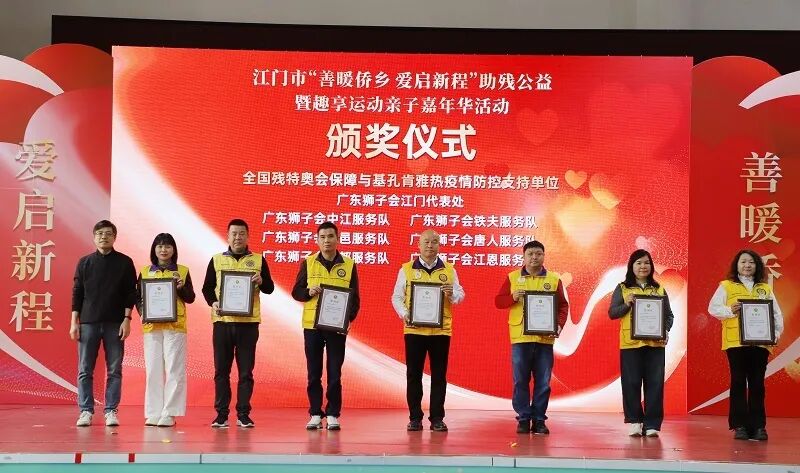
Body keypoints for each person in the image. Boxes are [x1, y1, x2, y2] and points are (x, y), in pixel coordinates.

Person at [202, 218, 274, 428]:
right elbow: (207, 288)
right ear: (227, 236)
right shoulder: (216, 260)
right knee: (221, 371)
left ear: (248, 236)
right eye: (234, 233)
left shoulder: (258, 260)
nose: (238, 237)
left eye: (242, 233)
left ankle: (243, 414)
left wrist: (262, 281)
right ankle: (221, 415)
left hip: (248, 324)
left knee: (245, 372)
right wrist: (214, 302)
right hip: (222, 323)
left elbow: (269, 288)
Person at [391, 229, 465, 432]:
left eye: (434, 242)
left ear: (439, 245)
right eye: (426, 242)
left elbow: (460, 295)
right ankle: (415, 417)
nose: (430, 246)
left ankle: (437, 418)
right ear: (418, 245)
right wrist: (405, 313)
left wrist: (452, 293)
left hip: (441, 332)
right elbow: (396, 297)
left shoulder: (449, 270)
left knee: (439, 376)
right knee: (413, 375)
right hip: (414, 330)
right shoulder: (406, 269)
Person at [707, 249, 784, 441]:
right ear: (737, 265)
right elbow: (713, 308)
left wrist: (775, 334)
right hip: (736, 342)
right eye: (743, 262)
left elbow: (776, 314)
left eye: (751, 262)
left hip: (761, 342)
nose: (747, 265)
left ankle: (758, 426)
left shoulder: (764, 288)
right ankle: (739, 425)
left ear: (757, 266)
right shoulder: (726, 286)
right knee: (739, 381)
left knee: (757, 383)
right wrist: (729, 310)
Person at [291, 221, 360, 430]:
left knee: (334, 372)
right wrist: (308, 292)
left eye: (330, 236)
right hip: (312, 326)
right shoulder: (308, 262)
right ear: (317, 240)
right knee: (314, 372)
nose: (327, 241)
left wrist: (347, 320)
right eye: (322, 237)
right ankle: (315, 412)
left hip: (336, 327)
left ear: (338, 239)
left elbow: (355, 298)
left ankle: (332, 413)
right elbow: (296, 292)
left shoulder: (349, 264)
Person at [494, 240, 569, 435]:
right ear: (524, 256)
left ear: (544, 256)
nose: (534, 257)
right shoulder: (513, 277)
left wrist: (558, 326)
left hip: (545, 339)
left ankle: (539, 419)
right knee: (520, 380)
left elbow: (563, 305)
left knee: (543, 382)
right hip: (520, 338)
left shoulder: (554, 279)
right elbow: (499, 302)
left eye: (538, 254)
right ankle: (523, 418)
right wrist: (512, 297)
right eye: (530, 254)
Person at [70, 220, 137, 427]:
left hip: (115, 323)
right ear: (94, 237)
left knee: (114, 370)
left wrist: (127, 320)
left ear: (114, 237)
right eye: (99, 233)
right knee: (85, 369)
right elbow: (77, 293)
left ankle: (111, 410)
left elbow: (130, 293)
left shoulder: (125, 262)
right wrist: (74, 322)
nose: (103, 237)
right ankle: (86, 410)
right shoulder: (85, 262)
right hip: (88, 322)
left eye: (108, 233)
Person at [608, 249, 674, 438]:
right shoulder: (622, 288)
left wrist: (665, 331)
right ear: (632, 266)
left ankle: (652, 424)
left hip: (655, 345)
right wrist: (626, 304)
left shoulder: (659, 289)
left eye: (646, 263)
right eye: (638, 263)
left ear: (651, 266)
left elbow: (669, 316)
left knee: (655, 384)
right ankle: (635, 421)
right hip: (630, 345)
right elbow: (612, 313)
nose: (643, 266)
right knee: (631, 383)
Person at [136, 233, 195, 427]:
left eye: (168, 246)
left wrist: (181, 288)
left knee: (174, 370)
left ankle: (169, 412)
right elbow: (137, 297)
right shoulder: (145, 271)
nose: (164, 250)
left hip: (175, 327)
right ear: (154, 249)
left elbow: (191, 298)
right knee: (153, 369)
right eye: (160, 246)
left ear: (174, 249)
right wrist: (143, 311)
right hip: (152, 327)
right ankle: (153, 412)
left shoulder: (182, 271)